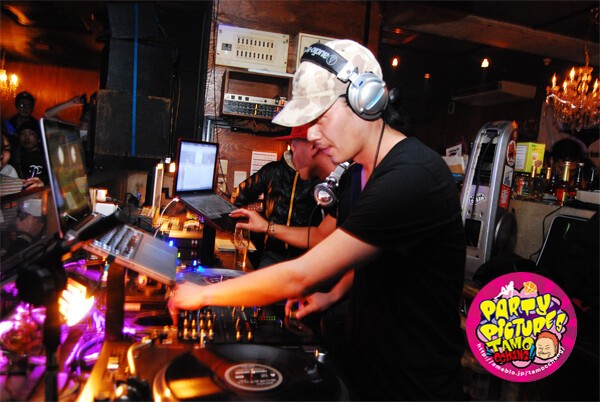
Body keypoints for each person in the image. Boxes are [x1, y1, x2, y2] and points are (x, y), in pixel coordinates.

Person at [170, 39, 466, 401]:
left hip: (416, 388)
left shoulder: (412, 176)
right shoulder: (358, 174)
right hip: (370, 371)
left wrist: (203, 294)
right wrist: (332, 295)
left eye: (320, 117)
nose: (310, 134)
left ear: (366, 99)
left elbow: (301, 275)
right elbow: (372, 254)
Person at [230, 129, 323, 268]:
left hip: (308, 255)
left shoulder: (321, 177)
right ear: (293, 145)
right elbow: (239, 196)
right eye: (312, 145)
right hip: (273, 254)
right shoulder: (272, 171)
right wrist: (243, 225)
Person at [13, 121, 48, 187]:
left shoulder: (46, 156)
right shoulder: (14, 156)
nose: (27, 137)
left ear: (39, 138)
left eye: (31, 133)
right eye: (23, 134)